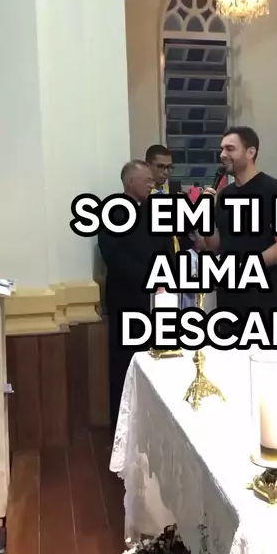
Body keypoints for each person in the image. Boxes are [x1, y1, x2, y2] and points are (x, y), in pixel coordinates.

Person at [98, 160, 175, 430]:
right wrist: (147, 280)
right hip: (126, 301)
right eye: (147, 180)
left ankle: (155, 423)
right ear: (131, 182)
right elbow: (113, 256)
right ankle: (124, 426)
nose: (152, 184)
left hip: (159, 300)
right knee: (126, 363)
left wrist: (165, 278)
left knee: (157, 361)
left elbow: (167, 248)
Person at [204, 126, 277, 323]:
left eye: (230, 149)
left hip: (259, 293)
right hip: (227, 292)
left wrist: (245, 267)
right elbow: (215, 246)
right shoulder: (225, 194)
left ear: (250, 152)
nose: (222, 154)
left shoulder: (272, 189)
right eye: (222, 149)